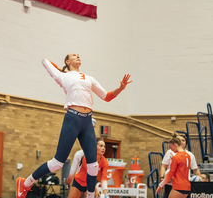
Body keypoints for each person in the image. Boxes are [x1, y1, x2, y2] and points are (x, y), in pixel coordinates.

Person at [16, 53, 132, 198]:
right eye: (73, 55)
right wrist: (62, 69)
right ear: (67, 61)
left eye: (78, 55)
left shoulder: (89, 78)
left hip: (87, 121)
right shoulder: (62, 76)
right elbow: (45, 61)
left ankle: (90, 196)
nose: (78, 56)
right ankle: (25, 183)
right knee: (57, 163)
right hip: (72, 119)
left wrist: (120, 88)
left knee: (93, 166)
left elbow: (106, 97)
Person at [160, 133, 201, 198]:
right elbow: (163, 166)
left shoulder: (187, 155)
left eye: (183, 140)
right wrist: (162, 177)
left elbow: (171, 173)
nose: (181, 142)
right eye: (180, 140)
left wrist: (160, 185)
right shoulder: (171, 152)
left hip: (178, 185)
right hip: (177, 185)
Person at [156, 134, 191, 198]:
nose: (171, 150)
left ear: (175, 145)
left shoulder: (176, 157)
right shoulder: (188, 156)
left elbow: (170, 174)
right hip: (187, 187)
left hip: (178, 186)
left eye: (171, 147)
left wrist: (160, 185)